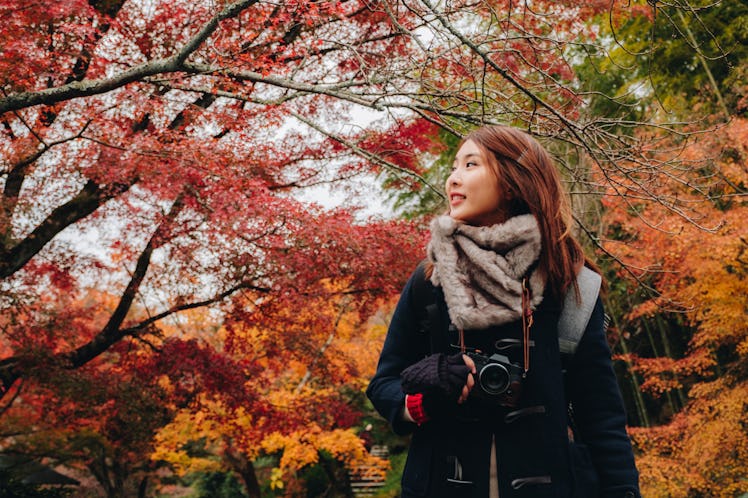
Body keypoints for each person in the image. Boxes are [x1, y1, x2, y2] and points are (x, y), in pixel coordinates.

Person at [366, 125, 640, 498]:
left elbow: (603, 418)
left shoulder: (572, 286)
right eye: (453, 165)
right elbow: (384, 385)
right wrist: (424, 398)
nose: (453, 177)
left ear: (512, 184)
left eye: (470, 164)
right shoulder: (428, 281)